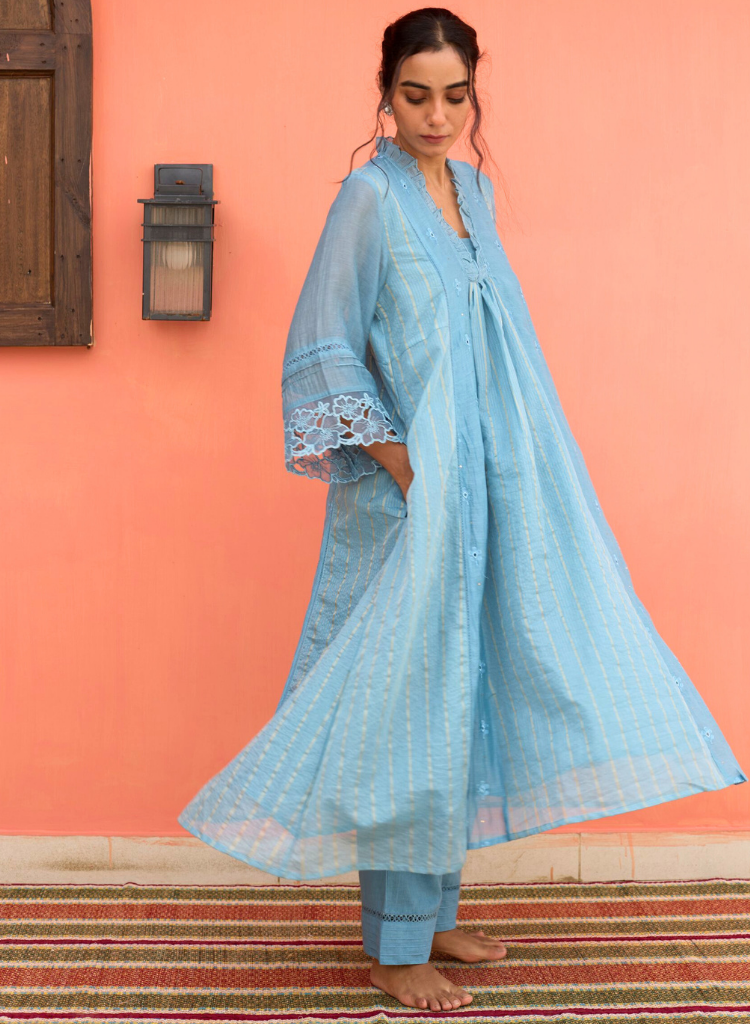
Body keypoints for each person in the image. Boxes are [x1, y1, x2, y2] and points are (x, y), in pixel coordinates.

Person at [178, 7, 747, 1012]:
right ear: (385, 95)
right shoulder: (367, 199)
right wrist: (412, 473)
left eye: (454, 96)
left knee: (464, 690)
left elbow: (489, 348)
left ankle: (434, 913)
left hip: (498, 490)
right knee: (408, 707)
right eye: (415, 95)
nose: (436, 116)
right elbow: (323, 349)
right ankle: (395, 947)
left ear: (473, 95)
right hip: (415, 504)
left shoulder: (473, 194)